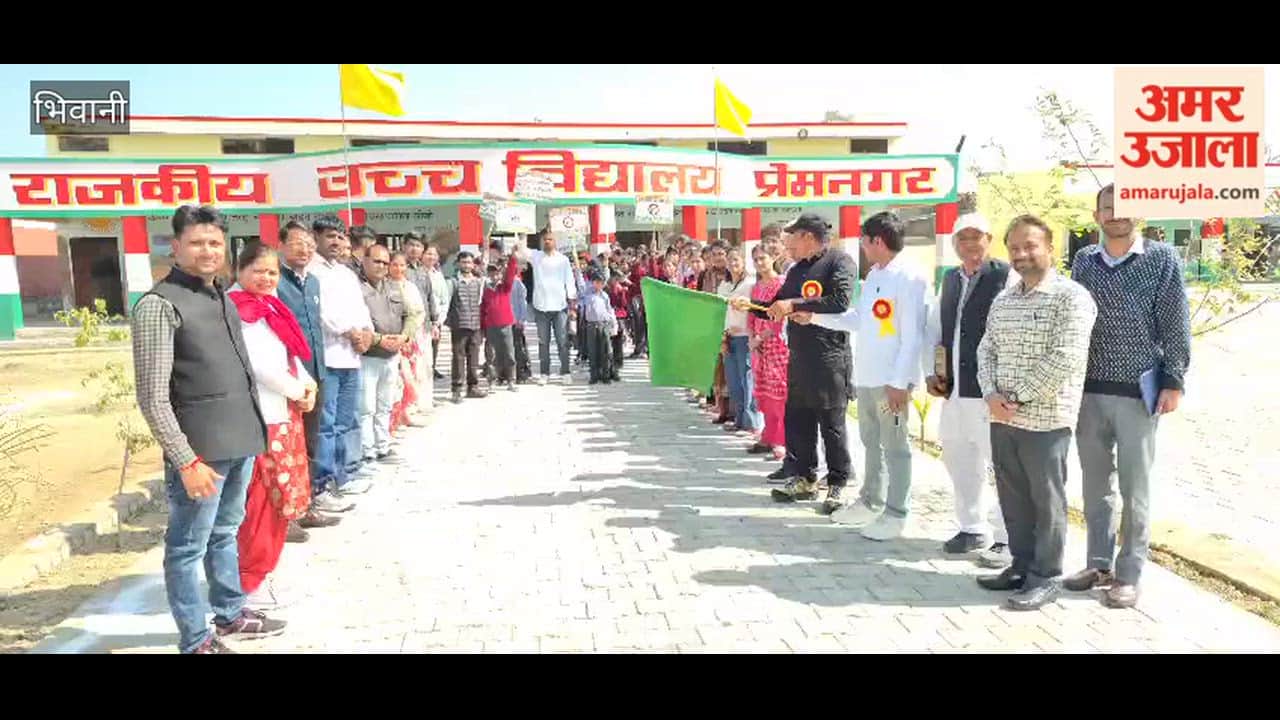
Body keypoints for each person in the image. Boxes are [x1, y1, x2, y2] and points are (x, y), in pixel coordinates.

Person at [131, 204, 281, 655]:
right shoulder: (159, 305)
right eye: (197, 242)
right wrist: (186, 461)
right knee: (186, 546)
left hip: (237, 440)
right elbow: (153, 398)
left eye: (215, 242)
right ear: (175, 246)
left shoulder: (219, 296)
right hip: (199, 453)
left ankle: (230, 612)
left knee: (225, 531)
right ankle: (195, 639)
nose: (207, 250)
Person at [1063, 184, 1191, 609]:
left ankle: (1129, 573)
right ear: (1096, 215)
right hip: (1089, 390)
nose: (1116, 214)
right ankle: (1098, 563)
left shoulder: (1161, 259)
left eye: (1125, 206)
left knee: (1136, 487)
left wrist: (1173, 380)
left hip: (1139, 392)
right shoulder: (1084, 261)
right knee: (1096, 485)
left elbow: (1174, 322)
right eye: (1107, 208)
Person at [976, 215, 1097, 611]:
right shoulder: (1005, 299)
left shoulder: (1071, 297)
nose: (1022, 255)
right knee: (1012, 498)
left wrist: (1017, 397)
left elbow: (1066, 356)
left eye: (1030, 246)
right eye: (1014, 248)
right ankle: (1021, 564)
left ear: (1050, 249)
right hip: (1002, 417)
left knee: (1047, 502)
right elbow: (986, 349)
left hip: (1046, 419)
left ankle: (1046, 577)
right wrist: (992, 394)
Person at [740, 214, 855, 515]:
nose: (787, 244)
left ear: (807, 236)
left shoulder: (839, 262)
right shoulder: (796, 270)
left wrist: (796, 305)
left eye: (790, 237)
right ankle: (804, 476)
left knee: (832, 423)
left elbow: (840, 301)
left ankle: (838, 481)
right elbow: (777, 305)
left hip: (830, 357)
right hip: (800, 355)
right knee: (799, 420)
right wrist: (750, 306)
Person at [922, 212, 1018, 563]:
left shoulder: (1006, 277)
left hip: (989, 391)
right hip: (954, 389)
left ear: (989, 240)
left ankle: (1009, 536)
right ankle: (971, 527)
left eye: (976, 237)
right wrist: (932, 373)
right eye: (962, 238)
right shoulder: (950, 279)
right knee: (958, 459)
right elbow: (935, 329)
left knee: (1000, 464)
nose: (969, 244)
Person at [826, 211, 928, 540]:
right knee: (871, 441)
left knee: (895, 446)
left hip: (891, 382)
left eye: (864, 240)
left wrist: (900, 382)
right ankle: (871, 499)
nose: (862, 246)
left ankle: (897, 511)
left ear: (877, 241)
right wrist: (813, 318)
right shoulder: (873, 277)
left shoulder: (909, 277)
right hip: (868, 376)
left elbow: (912, 336)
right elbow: (860, 320)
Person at [228, 242, 317, 607]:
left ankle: (262, 572)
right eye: (259, 270)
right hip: (263, 417)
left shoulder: (268, 307)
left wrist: (307, 384)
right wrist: (299, 390)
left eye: (272, 272)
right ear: (239, 270)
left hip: (284, 412)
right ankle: (249, 580)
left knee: (278, 503)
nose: (266, 278)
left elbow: (288, 354)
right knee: (262, 503)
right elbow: (260, 366)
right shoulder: (239, 310)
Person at [274, 222, 338, 538]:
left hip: (316, 374)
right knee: (286, 445)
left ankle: (306, 504)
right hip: (286, 378)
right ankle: (284, 515)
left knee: (310, 443)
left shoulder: (312, 282)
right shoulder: (275, 283)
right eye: (298, 242)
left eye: (310, 244)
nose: (305, 249)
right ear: (282, 245)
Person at [309, 216, 373, 505]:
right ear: (317, 238)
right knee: (326, 423)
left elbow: (360, 309)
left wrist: (366, 334)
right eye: (330, 236)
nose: (336, 242)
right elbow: (320, 313)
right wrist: (348, 331)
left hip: (352, 357)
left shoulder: (347, 274)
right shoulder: (311, 273)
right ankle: (321, 485)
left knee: (346, 421)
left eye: (340, 236)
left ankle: (342, 476)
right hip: (328, 357)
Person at [358, 243, 411, 462]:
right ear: (365, 261)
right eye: (377, 261)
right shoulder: (357, 289)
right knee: (366, 407)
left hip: (391, 357)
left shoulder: (394, 287)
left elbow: (410, 315)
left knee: (385, 404)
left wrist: (405, 336)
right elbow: (356, 323)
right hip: (368, 357)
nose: (382, 266)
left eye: (385, 262)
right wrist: (381, 340)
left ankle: (383, 445)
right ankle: (366, 450)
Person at [746, 243, 788, 461]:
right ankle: (768, 434)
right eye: (756, 259)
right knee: (763, 392)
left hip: (775, 344)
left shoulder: (781, 284)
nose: (759, 263)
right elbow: (751, 315)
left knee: (778, 392)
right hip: (758, 346)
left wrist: (762, 337)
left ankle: (781, 439)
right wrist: (752, 337)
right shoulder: (756, 287)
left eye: (763, 258)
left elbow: (779, 319)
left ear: (773, 258)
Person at [522, 229, 578, 385]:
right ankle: (544, 373)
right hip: (541, 307)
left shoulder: (563, 260)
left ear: (555, 242)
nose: (547, 242)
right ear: (541, 241)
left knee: (562, 341)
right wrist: (522, 232)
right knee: (543, 342)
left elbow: (570, 282)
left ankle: (565, 372)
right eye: (545, 239)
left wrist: (572, 304)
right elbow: (521, 251)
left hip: (560, 307)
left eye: (550, 239)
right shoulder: (536, 256)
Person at [387, 251, 428, 435]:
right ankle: (392, 420)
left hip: (409, 338)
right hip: (390, 338)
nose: (398, 268)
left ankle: (405, 412)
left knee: (410, 378)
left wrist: (408, 334)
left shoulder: (410, 287)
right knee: (395, 381)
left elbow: (419, 312)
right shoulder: (384, 285)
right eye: (394, 264)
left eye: (402, 265)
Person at [720, 248, 760, 436]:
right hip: (728, 337)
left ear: (743, 262)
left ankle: (751, 422)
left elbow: (755, 311)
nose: (732, 264)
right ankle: (738, 419)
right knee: (734, 381)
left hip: (745, 336)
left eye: (736, 260)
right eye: (730, 260)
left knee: (747, 380)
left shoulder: (751, 283)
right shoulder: (723, 286)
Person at [445, 250, 487, 403]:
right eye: (464, 262)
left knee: (474, 358)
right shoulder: (453, 282)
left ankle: (472, 387)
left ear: (473, 264)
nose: (467, 265)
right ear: (458, 264)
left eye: (469, 262)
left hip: (475, 325)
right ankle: (456, 389)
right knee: (458, 358)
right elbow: (447, 302)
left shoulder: (478, 282)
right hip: (459, 325)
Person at [480, 250, 522, 391]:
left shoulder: (504, 287)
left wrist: (513, 259)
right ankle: (492, 381)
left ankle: (511, 380)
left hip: (505, 324)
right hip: (490, 326)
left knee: (509, 353)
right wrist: (482, 327)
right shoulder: (484, 290)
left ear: (500, 273)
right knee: (491, 356)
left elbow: (510, 274)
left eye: (496, 272)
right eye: (491, 272)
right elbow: (482, 310)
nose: (494, 275)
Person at [578, 268, 617, 384]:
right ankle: (594, 375)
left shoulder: (605, 296)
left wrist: (613, 324)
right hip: (591, 325)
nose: (599, 284)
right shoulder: (587, 294)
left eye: (601, 282)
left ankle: (605, 375)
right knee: (592, 351)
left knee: (605, 351)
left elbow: (610, 311)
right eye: (596, 282)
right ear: (592, 282)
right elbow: (580, 284)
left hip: (603, 324)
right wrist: (577, 270)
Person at [424, 235, 453, 380]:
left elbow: (444, 299)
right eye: (428, 253)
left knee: (434, 346)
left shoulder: (438, 276)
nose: (431, 257)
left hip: (436, 319)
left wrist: (440, 319)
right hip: (420, 319)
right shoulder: (417, 274)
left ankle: (432, 368)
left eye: (434, 254)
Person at [511, 256, 533, 383]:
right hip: (503, 322)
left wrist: (521, 320)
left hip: (516, 321)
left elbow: (522, 303)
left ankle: (522, 373)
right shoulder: (500, 283)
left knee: (519, 348)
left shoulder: (518, 283)